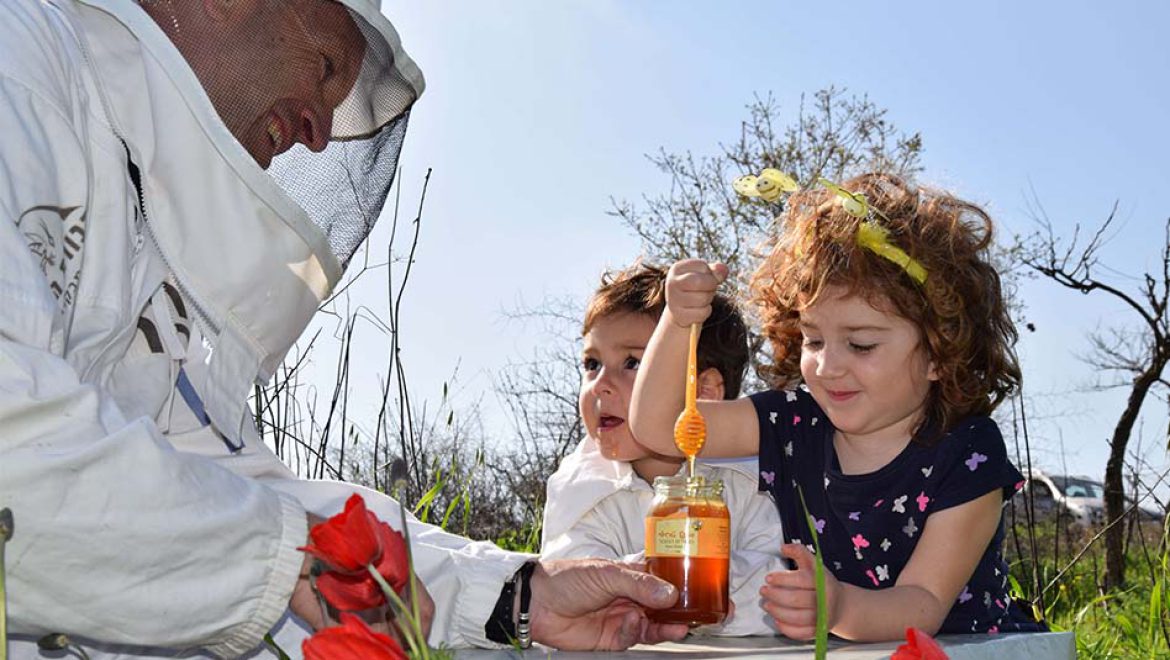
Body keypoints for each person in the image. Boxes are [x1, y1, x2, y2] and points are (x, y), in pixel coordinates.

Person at [0, 0, 688, 657]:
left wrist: (516, 596)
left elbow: (230, 490)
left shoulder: (150, 242)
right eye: (326, 68)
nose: (319, 133)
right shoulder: (22, 60)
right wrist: (282, 559)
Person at [629, 173, 1047, 641]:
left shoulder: (967, 452)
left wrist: (839, 605)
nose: (827, 367)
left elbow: (924, 603)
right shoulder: (792, 425)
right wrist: (677, 321)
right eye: (813, 339)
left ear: (938, 352)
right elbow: (659, 427)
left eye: (861, 344)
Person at [541, 262, 787, 636]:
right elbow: (564, 575)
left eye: (632, 363)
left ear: (704, 393)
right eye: (592, 364)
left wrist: (696, 579)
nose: (600, 386)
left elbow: (782, 585)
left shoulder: (749, 480)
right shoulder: (584, 484)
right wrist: (661, 577)